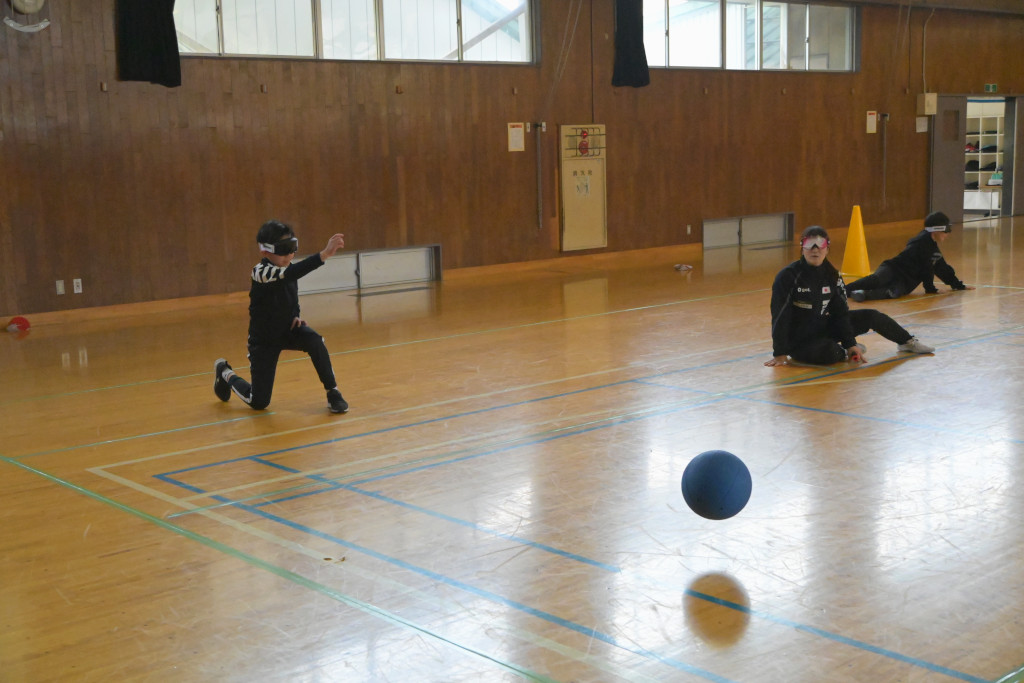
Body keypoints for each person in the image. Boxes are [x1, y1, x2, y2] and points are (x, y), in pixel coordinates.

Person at [213, 219, 349, 413]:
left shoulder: (288, 269)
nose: (290, 254)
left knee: (315, 341)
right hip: (264, 340)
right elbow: (290, 275)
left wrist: (296, 315)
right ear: (265, 251)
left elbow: (290, 295)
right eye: (284, 249)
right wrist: (324, 254)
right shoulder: (260, 272)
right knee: (259, 402)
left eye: (293, 248)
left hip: (288, 329)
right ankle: (225, 373)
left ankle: (333, 392)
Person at [765, 226, 934, 367]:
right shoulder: (788, 276)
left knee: (871, 316)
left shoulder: (832, 275)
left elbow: (840, 313)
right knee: (828, 354)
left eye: (820, 244)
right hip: (800, 339)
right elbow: (780, 315)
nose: (815, 249)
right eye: (809, 244)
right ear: (802, 247)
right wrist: (779, 352)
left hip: (823, 328)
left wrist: (850, 342)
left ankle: (907, 342)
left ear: (827, 248)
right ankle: (842, 352)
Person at [846, 211, 971, 301]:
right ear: (936, 229)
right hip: (893, 268)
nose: (947, 234)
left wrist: (958, 285)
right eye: (945, 231)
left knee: (892, 292)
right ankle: (843, 290)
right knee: (875, 280)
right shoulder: (920, 242)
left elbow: (941, 268)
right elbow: (926, 267)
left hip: (906, 281)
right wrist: (930, 288)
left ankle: (862, 294)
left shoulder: (933, 250)